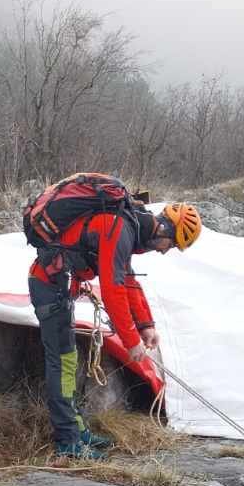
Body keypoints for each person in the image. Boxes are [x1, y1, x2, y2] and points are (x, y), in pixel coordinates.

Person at [28, 196, 202, 458]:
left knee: (68, 360)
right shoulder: (119, 228)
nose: (166, 250)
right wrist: (130, 341)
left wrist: (146, 326)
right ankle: (68, 442)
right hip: (50, 287)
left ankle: (77, 430)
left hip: (60, 286)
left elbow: (127, 279)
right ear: (165, 229)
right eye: (172, 244)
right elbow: (112, 289)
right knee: (62, 362)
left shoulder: (127, 227)